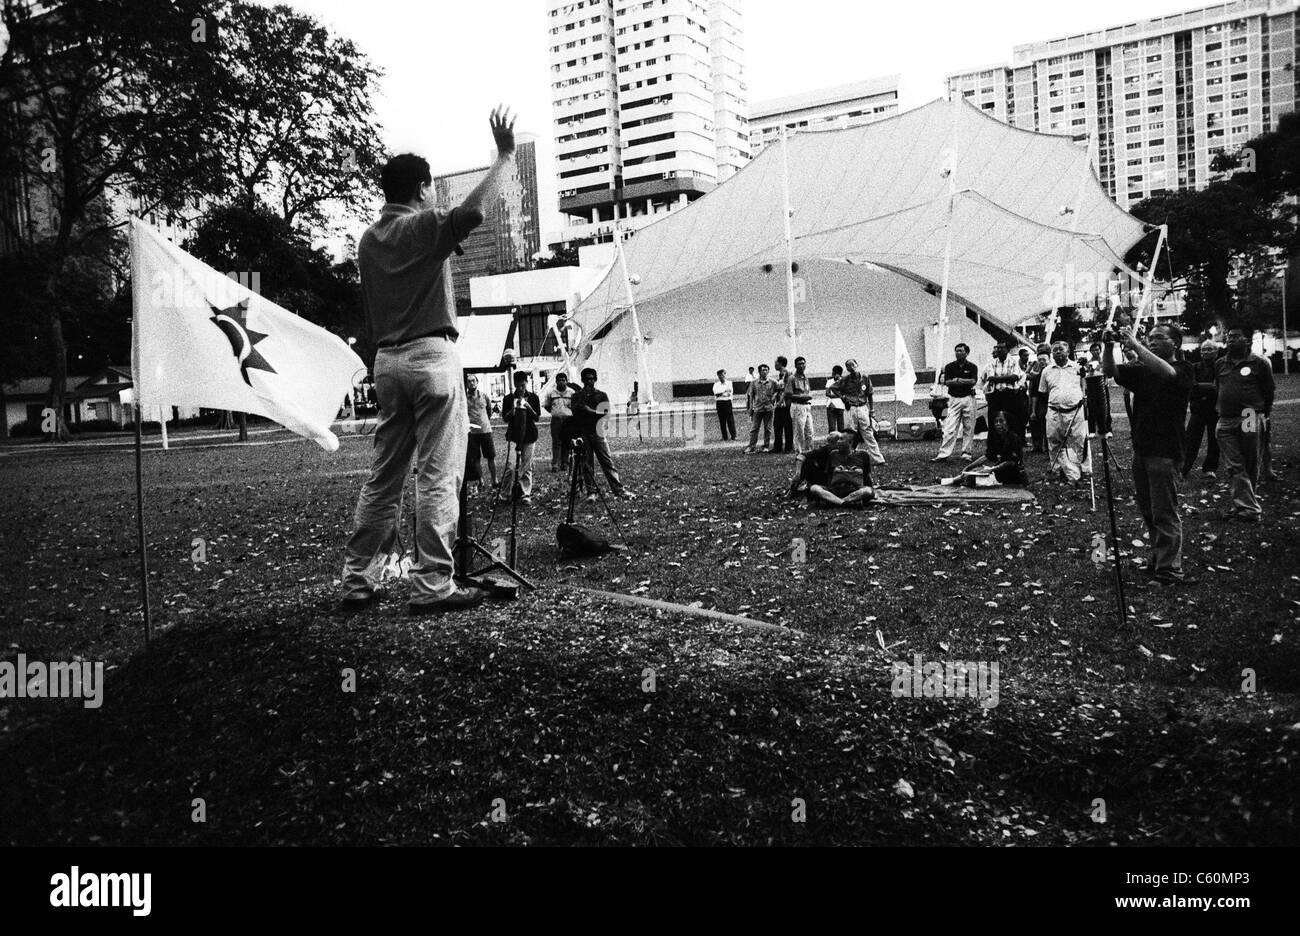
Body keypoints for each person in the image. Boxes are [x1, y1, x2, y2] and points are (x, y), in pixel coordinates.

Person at [340, 106, 516, 615]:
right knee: (438, 473)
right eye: (432, 188)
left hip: (386, 360)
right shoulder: (425, 225)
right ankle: (432, 583)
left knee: (384, 475)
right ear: (421, 188)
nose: (434, 195)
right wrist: (503, 157)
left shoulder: (369, 241)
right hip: (432, 355)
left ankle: (357, 580)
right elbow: (475, 214)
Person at [1105, 322, 1194, 585]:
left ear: (1175, 343)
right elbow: (1110, 370)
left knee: (1165, 511)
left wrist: (1137, 346)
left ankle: (1170, 570)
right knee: (1149, 510)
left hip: (1166, 450)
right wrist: (1109, 347)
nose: (1152, 341)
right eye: (1149, 338)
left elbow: (1168, 374)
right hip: (1142, 449)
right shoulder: (1143, 370)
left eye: (1158, 338)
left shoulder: (1184, 369)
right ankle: (1158, 558)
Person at [1214, 326, 1275, 522]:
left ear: (1247, 340)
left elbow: (1268, 391)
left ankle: (1244, 506)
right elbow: (1218, 386)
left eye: (1236, 337)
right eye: (1229, 337)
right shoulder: (1220, 364)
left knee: (1249, 462)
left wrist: (1264, 414)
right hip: (1225, 418)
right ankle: (1246, 507)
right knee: (1234, 465)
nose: (1231, 340)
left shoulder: (1259, 363)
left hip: (1249, 415)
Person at [573, 367, 632, 498]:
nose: (589, 382)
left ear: (595, 380)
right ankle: (591, 492)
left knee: (607, 461)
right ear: (582, 380)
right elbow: (575, 412)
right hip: (583, 432)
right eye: (587, 379)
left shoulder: (601, 395)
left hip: (598, 432)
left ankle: (618, 489)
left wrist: (590, 411)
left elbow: (605, 413)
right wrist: (589, 411)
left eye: (592, 379)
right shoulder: (577, 396)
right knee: (587, 464)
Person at [1040, 341, 1089, 482]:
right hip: (1054, 411)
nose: (1057, 352)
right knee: (1054, 440)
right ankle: (1058, 469)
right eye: (1054, 350)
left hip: (1075, 410)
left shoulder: (1077, 368)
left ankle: (1084, 470)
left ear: (1068, 352)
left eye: (1060, 350)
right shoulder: (1047, 371)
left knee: (1079, 440)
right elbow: (1043, 392)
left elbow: (1085, 386)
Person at [789, 431, 875, 508]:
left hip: (854, 490)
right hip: (835, 490)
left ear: (850, 442)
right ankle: (844, 503)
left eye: (841, 439)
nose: (838, 441)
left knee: (867, 491)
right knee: (814, 488)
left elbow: (867, 476)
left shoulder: (863, 455)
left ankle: (835, 502)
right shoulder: (833, 455)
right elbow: (829, 476)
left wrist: (870, 490)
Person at [832, 358, 885, 465]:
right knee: (850, 434)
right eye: (848, 366)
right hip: (851, 408)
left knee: (868, 433)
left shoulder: (865, 378)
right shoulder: (845, 380)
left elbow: (870, 394)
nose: (851, 367)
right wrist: (842, 397)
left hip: (862, 407)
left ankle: (878, 459)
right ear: (846, 368)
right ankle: (848, 457)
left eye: (853, 365)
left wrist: (872, 409)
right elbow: (833, 388)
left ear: (857, 365)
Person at [499, 371, 541, 506]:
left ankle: (525, 494)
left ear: (526, 383)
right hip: (514, 435)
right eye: (518, 386)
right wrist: (513, 410)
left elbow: (537, 417)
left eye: (523, 385)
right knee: (510, 466)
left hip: (529, 434)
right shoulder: (508, 398)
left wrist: (528, 407)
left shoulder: (533, 398)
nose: (520, 389)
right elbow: (505, 418)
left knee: (526, 465)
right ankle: (505, 494)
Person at [932, 343, 978, 462]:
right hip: (954, 399)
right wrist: (962, 382)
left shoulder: (972, 366)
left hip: (968, 398)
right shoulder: (950, 367)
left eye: (961, 351)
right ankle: (943, 454)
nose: (958, 353)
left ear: (966, 353)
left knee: (969, 426)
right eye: (956, 351)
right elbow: (948, 382)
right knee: (950, 427)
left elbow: (973, 381)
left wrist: (957, 380)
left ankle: (966, 452)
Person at [1182, 339, 1220, 479]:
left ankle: (1210, 468)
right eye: (1204, 349)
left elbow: (1218, 387)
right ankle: (1184, 468)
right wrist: (1209, 387)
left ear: (1216, 352)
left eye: (1210, 349)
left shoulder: (1219, 367)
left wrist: (1200, 387)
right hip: (1197, 410)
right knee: (1191, 439)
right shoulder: (1194, 367)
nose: (1206, 352)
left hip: (1215, 409)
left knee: (1214, 439)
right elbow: (1192, 386)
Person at [963, 411, 1029, 485]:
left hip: (1012, 475)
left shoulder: (1013, 438)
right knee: (972, 472)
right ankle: (956, 480)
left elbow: (1011, 462)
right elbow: (988, 456)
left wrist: (991, 469)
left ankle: (954, 481)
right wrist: (968, 467)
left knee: (971, 477)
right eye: (996, 422)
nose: (998, 424)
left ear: (1007, 423)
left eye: (1001, 421)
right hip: (998, 472)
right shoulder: (997, 437)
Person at [982, 341, 1026, 436]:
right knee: (993, 420)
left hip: (1009, 394)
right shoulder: (992, 362)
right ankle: (993, 447)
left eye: (1001, 348)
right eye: (997, 348)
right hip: (995, 394)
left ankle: (1012, 445)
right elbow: (990, 378)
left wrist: (997, 378)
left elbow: (1015, 377)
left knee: (1012, 419)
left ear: (1007, 350)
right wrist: (1007, 378)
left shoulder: (1014, 362)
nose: (998, 350)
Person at [464, 375, 497, 493]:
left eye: (473, 381)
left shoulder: (484, 396)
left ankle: (495, 480)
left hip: (485, 431)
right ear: (466, 384)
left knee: (491, 456)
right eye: (469, 382)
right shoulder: (464, 398)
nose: (471, 383)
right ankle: (481, 480)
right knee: (476, 458)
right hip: (472, 433)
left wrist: (485, 421)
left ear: (477, 382)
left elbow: (489, 410)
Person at [542, 370, 576, 473]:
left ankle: (564, 463)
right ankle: (555, 464)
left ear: (566, 381)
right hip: (556, 420)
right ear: (556, 382)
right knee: (556, 442)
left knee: (566, 442)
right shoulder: (551, 392)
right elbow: (547, 406)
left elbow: (574, 406)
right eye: (559, 380)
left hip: (568, 420)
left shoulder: (571, 392)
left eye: (563, 380)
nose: (561, 382)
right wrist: (555, 412)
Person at [745, 363, 777, 453]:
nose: (765, 372)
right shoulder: (754, 383)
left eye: (766, 370)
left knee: (768, 428)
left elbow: (779, 390)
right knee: (754, 428)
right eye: (763, 370)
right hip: (758, 409)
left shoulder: (773, 382)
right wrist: (750, 408)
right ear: (759, 372)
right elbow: (751, 396)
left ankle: (766, 446)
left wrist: (774, 396)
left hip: (769, 408)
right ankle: (751, 446)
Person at [787, 356, 815, 454]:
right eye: (799, 364)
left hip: (807, 406)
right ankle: (798, 453)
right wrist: (801, 397)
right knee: (799, 432)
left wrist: (807, 396)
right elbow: (788, 393)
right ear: (795, 365)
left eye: (803, 363)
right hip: (798, 406)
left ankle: (810, 452)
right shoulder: (792, 378)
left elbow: (808, 391)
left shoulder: (805, 378)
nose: (802, 366)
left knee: (810, 431)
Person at [1026, 343, 1050, 453]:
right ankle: (1037, 446)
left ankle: (1047, 445)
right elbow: (1034, 391)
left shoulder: (1052, 370)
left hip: (1049, 400)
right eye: (1039, 358)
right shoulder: (1036, 369)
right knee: (1035, 421)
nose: (1041, 361)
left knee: (1047, 424)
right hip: (1038, 400)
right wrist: (1033, 410)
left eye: (1044, 359)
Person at [771, 355, 793, 454]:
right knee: (778, 425)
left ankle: (788, 446)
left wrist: (778, 402)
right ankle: (778, 446)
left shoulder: (786, 374)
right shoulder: (781, 374)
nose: (775, 365)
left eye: (776, 363)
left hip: (785, 404)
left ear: (780, 363)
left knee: (786, 425)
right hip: (780, 403)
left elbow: (786, 389)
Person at [712, 368, 737, 441]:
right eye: (719, 375)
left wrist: (721, 393)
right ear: (718, 376)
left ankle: (733, 436)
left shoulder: (729, 383)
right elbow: (715, 392)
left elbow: (729, 393)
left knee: (730, 420)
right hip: (719, 403)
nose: (721, 376)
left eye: (723, 375)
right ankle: (724, 437)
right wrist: (724, 391)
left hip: (727, 402)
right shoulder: (716, 384)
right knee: (722, 421)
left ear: (725, 375)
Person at [825, 364, 846, 433]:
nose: (832, 374)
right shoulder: (829, 381)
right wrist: (839, 396)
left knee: (841, 427)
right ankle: (832, 442)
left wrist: (834, 395)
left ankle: (841, 442)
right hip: (831, 405)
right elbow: (827, 393)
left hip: (840, 406)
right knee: (832, 428)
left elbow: (845, 393)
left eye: (834, 373)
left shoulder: (843, 381)